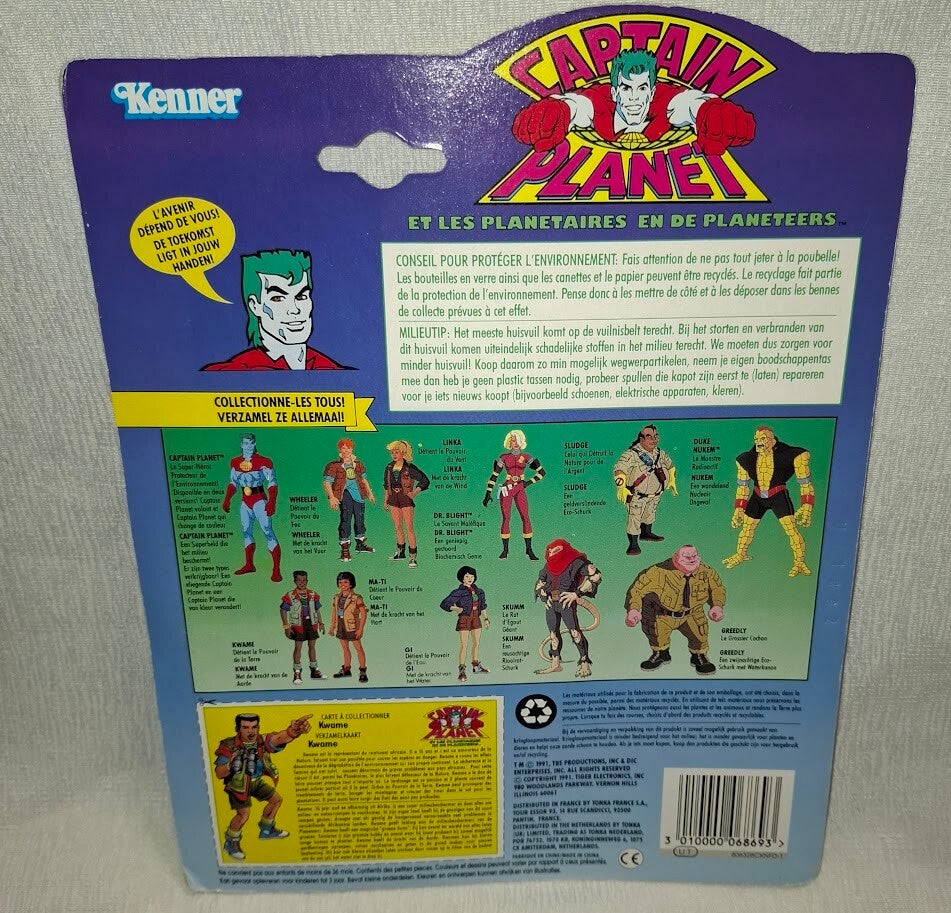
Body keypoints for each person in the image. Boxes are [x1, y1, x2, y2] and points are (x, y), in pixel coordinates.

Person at [512, 49, 754, 154]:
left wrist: (709, 112)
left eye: (642, 88)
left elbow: (687, 103)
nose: (635, 97)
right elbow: (579, 106)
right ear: (615, 92)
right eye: (626, 88)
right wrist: (558, 110)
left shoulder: (665, 102)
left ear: (652, 92)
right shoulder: (599, 104)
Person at [202, 249, 351, 370]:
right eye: (278, 298)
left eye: (301, 296)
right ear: (255, 306)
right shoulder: (230, 372)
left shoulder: (332, 370)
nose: (294, 310)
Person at [214, 712, 311, 860]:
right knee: (243, 815)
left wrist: (293, 731)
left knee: (276, 800)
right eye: (246, 727)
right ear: (238, 729)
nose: (251, 731)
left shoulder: (261, 740)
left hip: (256, 781)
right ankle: (231, 842)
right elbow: (219, 773)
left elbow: (278, 738)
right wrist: (230, 765)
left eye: (254, 727)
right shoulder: (228, 745)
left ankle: (266, 830)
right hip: (238, 785)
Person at [723, 426, 815, 577]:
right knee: (746, 529)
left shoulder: (793, 455)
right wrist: (739, 508)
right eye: (756, 439)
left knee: (792, 530)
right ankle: (740, 554)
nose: (759, 442)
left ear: (773, 441)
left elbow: (805, 483)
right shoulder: (745, 460)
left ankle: (799, 562)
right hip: (758, 496)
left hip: (778, 495)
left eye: (763, 438)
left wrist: (807, 506)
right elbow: (742, 486)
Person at [625, 544, 725, 675]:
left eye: (694, 556)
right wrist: (633, 610)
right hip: (662, 615)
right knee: (656, 635)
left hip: (692, 614)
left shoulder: (707, 572)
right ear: (676, 557)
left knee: (700, 636)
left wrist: (717, 606)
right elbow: (637, 590)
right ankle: (661, 653)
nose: (691, 559)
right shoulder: (657, 572)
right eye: (687, 557)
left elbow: (717, 589)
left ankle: (699, 656)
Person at [534, 539, 601, 678]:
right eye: (549, 551)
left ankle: (585, 664)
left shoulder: (576, 562)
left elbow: (596, 576)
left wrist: (576, 594)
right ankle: (555, 664)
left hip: (567, 603)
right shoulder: (548, 566)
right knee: (553, 635)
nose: (551, 553)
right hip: (551, 604)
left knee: (575, 633)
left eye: (555, 550)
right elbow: (540, 583)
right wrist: (544, 596)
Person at [222, 433, 281, 582]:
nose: (248, 446)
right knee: (246, 531)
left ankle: (276, 569)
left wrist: (272, 501)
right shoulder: (235, 462)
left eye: (251, 443)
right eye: (245, 443)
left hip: (259, 500)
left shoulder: (264, 461)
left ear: (254, 444)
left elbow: (272, 482)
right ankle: (249, 565)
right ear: (241, 445)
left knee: (267, 531)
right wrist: (227, 499)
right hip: (245, 501)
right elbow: (233, 482)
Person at [613, 424, 678, 555]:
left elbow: (670, 465)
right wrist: (621, 487)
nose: (654, 440)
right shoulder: (631, 454)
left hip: (655, 494)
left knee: (650, 513)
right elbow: (619, 469)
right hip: (638, 495)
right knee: (635, 518)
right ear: (641, 439)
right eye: (649, 437)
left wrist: (672, 480)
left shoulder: (660, 453)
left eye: (655, 436)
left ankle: (646, 533)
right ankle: (633, 544)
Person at [482, 429, 544, 560]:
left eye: (516, 440)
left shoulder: (527, 457)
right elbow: (494, 476)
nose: (514, 443)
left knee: (525, 517)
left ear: (521, 441)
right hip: (507, 489)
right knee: (506, 518)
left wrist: (528, 483)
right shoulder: (503, 457)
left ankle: (529, 550)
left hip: (520, 488)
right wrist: (488, 493)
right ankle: (505, 550)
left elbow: (542, 473)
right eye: (512, 440)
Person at [322, 437, 376, 562]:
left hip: (359, 494)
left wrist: (370, 493)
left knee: (360, 519)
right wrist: (332, 497)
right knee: (346, 519)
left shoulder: (358, 464)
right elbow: (327, 482)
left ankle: (360, 544)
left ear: (352, 449)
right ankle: (345, 549)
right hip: (345, 495)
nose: (346, 450)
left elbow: (364, 480)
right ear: (340, 450)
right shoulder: (334, 466)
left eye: (348, 448)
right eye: (343, 448)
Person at [382, 440, 429, 569]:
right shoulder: (389, 467)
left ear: (403, 453)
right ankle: (400, 552)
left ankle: (413, 557)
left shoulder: (410, 468)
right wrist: (385, 500)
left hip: (405, 498)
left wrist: (414, 493)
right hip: (393, 498)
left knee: (409, 528)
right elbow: (386, 485)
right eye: (392, 452)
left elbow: (425, 480)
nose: (394, 455)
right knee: (397, 527)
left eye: (397, 452)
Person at [440, 565, 491, 682]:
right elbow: (444, 604)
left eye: (472, 576)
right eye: (467, 576)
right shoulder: (458, 592)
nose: (470, 579)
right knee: (464, 645)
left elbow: (483, 606)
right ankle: (462, 670)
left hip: (476, 617)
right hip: (464, 618)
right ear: (462, 578)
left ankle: (476, 666)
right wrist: (455, 608)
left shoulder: (479, 591)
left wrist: (486, 619)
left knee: (476, 643)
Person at [279, 571, 325, 685]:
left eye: (304, 580)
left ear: (307, 581)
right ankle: (297, 672)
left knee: (312, 646)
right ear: (295, 581)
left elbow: (317, 609)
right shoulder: (290, 595)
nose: (302, 582)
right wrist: (286, 626)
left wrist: (321, 623)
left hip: (312, 623)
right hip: (298, 624)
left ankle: (314, 670)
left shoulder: (313, 594)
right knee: (298, 647)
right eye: (299, 580)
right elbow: (283, 610)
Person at [329, 571, 370, 682]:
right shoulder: (336, 597)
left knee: (358, 648)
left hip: (352, 626)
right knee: (345, 648)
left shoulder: (357, 598)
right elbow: (334, 612)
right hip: (340, 625)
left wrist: (360, 629)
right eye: (340, 582)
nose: (342, 585)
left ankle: (362, 671)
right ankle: (346, 669)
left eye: (345, 582)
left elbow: (364, 613)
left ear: (351, 584)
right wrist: (332, 626)